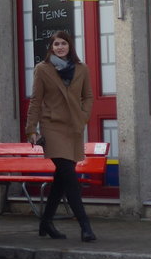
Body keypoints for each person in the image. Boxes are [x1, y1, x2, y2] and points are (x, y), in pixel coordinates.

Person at [25, 29, 97, 242]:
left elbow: (88, 96)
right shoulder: (43, 69)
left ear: (69, 46)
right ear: (51, 47)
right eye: (56, 44)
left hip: (73, 127)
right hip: (52, 126)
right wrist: (31, 129)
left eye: (63, 43)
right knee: (69, 174)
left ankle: (46, 222)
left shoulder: (81, 69)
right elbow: (36, 100)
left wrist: (83, 117)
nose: (60, 47)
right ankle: (85, 225)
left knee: (62, 178)